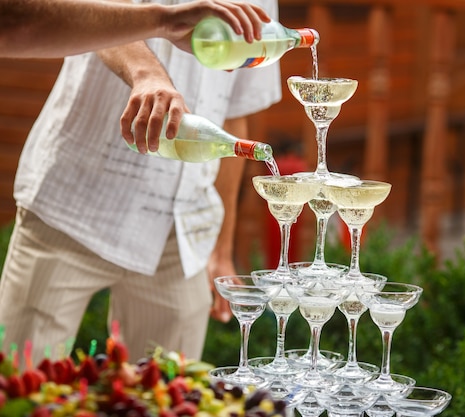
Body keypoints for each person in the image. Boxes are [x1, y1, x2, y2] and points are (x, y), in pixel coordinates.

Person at [0, 0, 282, 366]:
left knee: (168, 395)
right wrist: (147, 72)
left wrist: (221, 250)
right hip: (75, 202)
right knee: (17, 380)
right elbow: (91, 11)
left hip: (182, 232)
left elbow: (235, 111)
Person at [0, 0, 269, 58]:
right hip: (75, 187)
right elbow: (14, 23)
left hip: (195, 202)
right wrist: (147, 74)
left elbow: (239, 109)